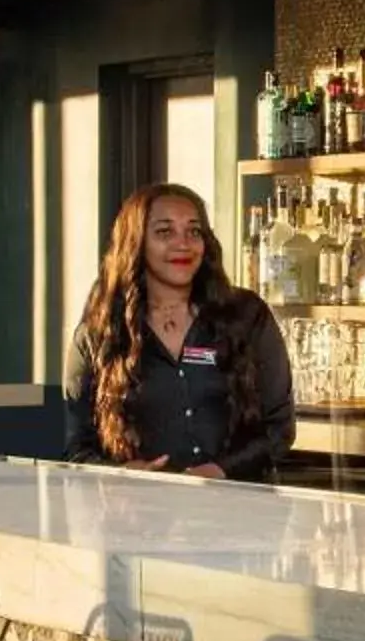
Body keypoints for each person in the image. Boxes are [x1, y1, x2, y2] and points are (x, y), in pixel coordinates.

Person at [63, 182, 296, 479]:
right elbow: (77, 450)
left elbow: (279, 428)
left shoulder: (247, 316)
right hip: (142, 516)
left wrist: (220, 471)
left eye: (194, 231)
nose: (183, 243)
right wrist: (123, 473)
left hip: (240, 512)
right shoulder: (99, 333)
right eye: (164, 232)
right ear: (135, 242)